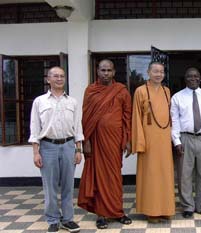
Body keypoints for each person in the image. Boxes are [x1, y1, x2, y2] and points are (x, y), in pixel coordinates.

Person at [78, 59, 132, 228]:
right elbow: (86, 118)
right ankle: (101, 214)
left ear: (114, 72)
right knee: (99, 177)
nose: (106, 73)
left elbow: (127, 117)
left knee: (114, 177)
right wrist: (85, 141)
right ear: (98, 71)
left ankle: (117, 211)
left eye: (109, 70)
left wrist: (128, 140)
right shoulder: (91, 91)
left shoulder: (121, 91)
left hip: (114, 141)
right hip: (96, 142)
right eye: (103, 70)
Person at [29, 66, 83, 233]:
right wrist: (36, 152)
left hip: (68, 146)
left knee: (68, 185)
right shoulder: (40, 101)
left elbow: (77, 126)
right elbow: (35, 128)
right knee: (50, 187)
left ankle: (68, 219)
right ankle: (52, 219)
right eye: (55, 76)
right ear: (48, 79)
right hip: (47, 147)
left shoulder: (72, 101)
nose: (59, 79)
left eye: (62, 76)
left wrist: (78, 149)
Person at [171, 67, 201, 218]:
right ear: (185, 79)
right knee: (184, 175)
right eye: (189, 77)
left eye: (196, 76)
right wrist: (176, 141)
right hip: (185, 138)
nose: (193, 79)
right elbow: (174, 121)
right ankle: (187, 206)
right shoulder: (177, 97)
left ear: (200, 79)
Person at [131, 61, 175, 223]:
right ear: (148, 72)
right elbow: (136, 117)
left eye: (161, 72)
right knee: (150, 175)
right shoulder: (140, 91)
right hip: (148, 140)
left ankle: (165, 209)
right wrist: (140, 142)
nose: (158, 74)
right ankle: (151, 211)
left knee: (165, 174)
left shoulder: (166, 91)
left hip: (164, 139)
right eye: (155, 71)